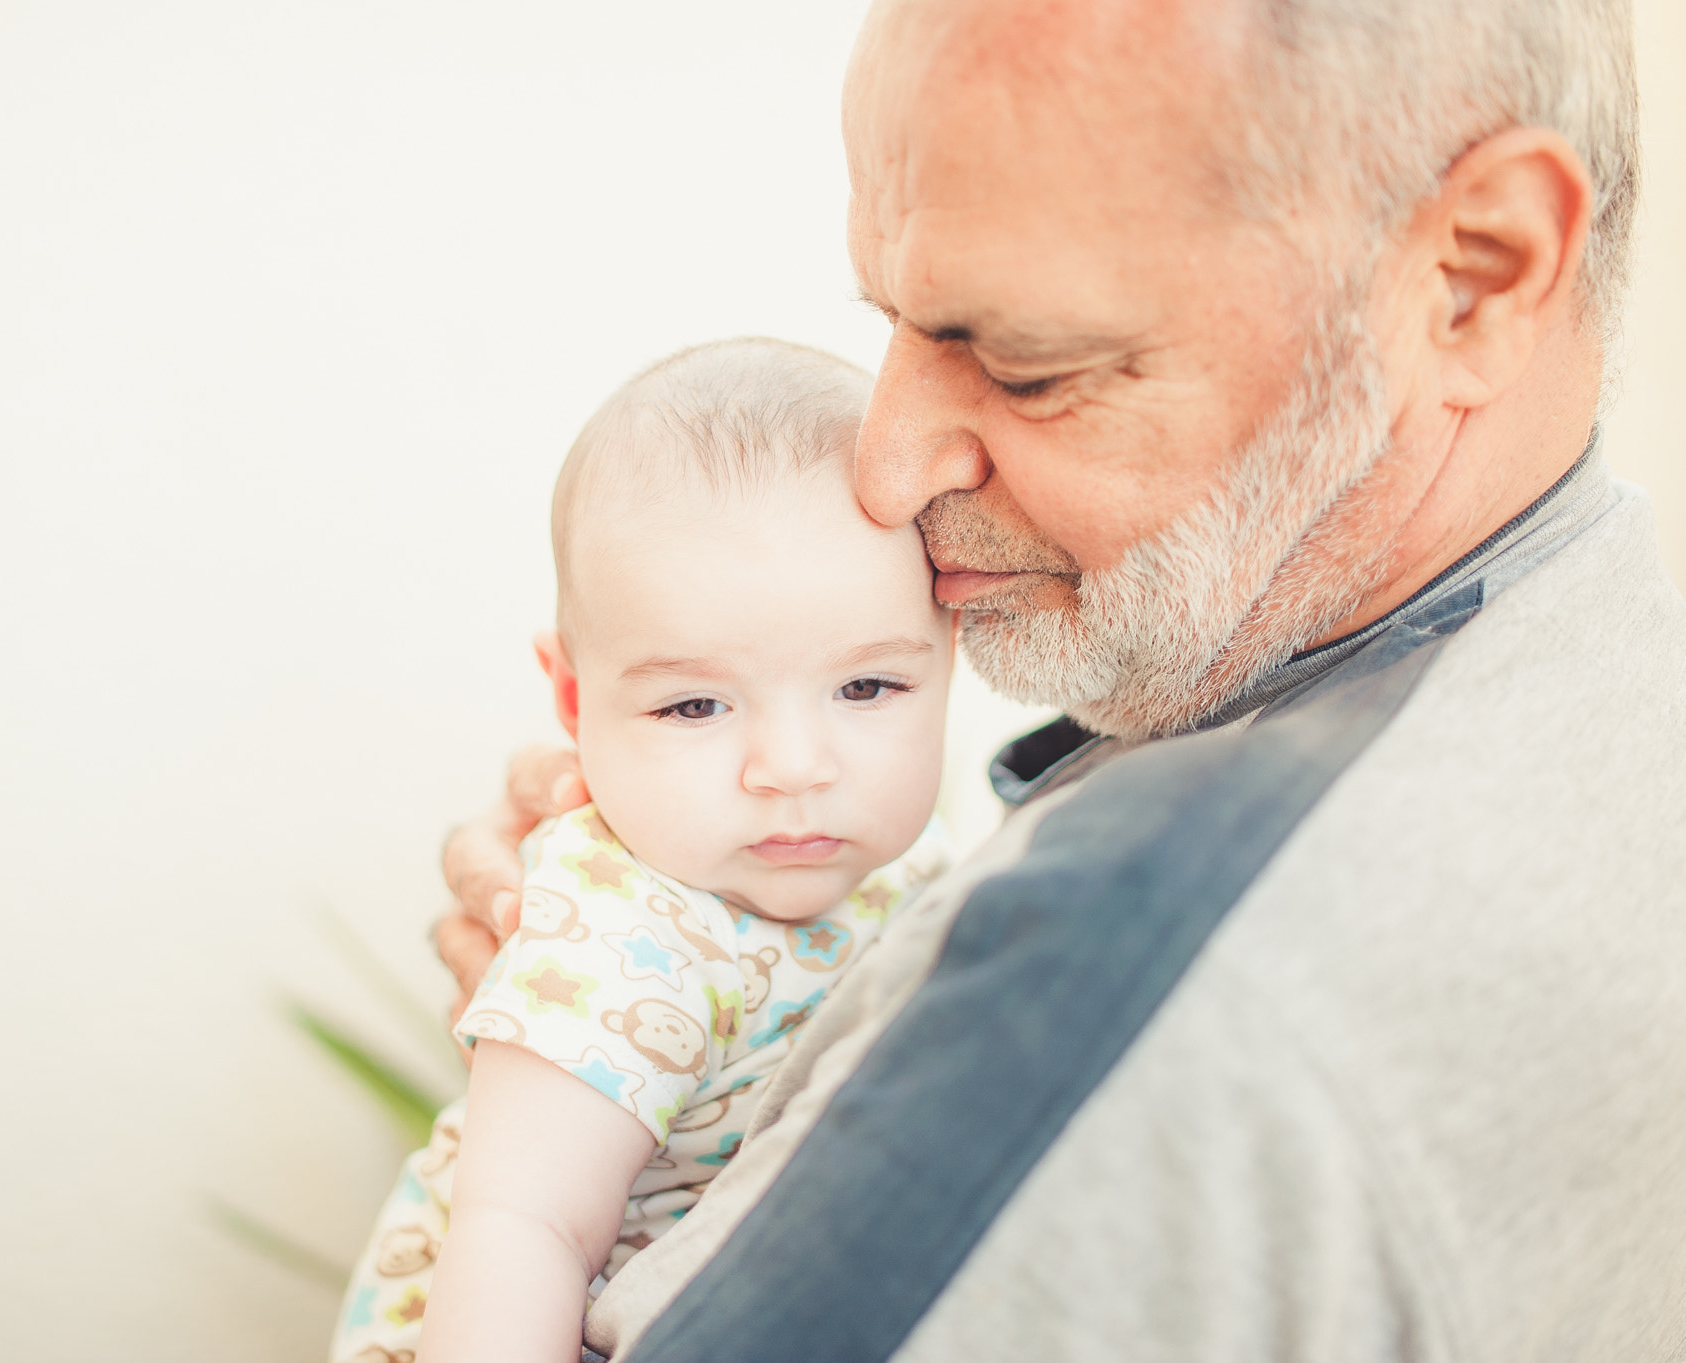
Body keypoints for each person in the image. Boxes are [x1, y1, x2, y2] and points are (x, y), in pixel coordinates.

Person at [433, 0, 1686, 1358]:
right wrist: (649, 1037)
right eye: (894, 325)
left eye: (1026, 365)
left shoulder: (1150, 961)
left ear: (1475, 274)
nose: (887, 465)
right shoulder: (1609, 631)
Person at [331, 339, 958, 1363]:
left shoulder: (908, 856)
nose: (793, 767)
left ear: (947, 655)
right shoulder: (622, 926)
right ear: (574, 700)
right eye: (694, 704)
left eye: (866, 688)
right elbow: (524, 1226)